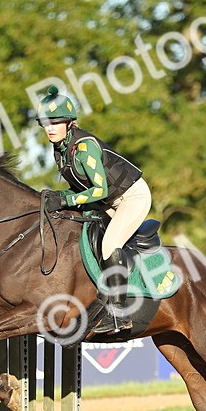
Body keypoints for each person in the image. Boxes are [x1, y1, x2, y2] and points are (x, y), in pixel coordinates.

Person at [35, 85, 151, 332]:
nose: (50, 129)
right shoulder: (61, 149)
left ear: (69, 123)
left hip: (131, 197)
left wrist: (65, 200)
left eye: (55, 123)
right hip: (108, 202)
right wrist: (54, 197)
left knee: (110, 244)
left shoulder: (83, 147)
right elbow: (80, 190)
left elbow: (100, 190)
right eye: (45, 124)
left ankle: (120, 313)